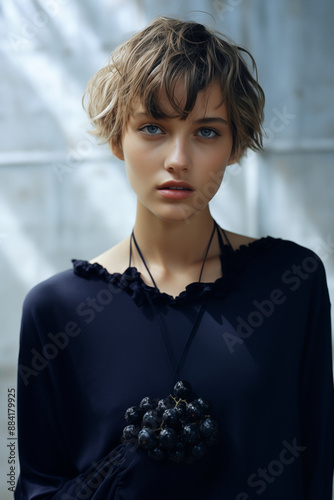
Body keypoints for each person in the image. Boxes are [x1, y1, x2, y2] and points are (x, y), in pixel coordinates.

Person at [15, 16, 333, 500]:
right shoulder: (55, 309)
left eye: (206, 132)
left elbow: (315, 472)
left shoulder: (292, 282)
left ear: (234, 145)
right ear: (118, 138)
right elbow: (36, 489)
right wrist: (133, 462)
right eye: (153, 128)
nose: (178, 159)